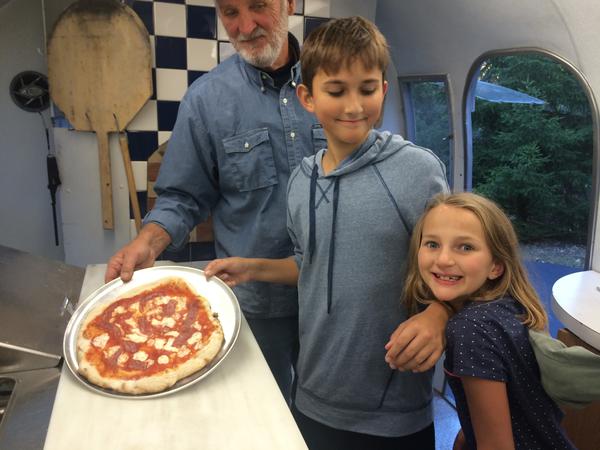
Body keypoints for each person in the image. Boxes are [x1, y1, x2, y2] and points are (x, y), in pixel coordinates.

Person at [205, 16, 450, 449]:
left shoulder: (418, 171)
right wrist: (253, 268)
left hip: (395, 413)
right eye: (336, 92)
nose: (353, 106)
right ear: (308, 97)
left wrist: (439, 316)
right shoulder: (301, 181)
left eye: (367, 89)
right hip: (314, 398)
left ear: (384, 90)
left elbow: (457, 271)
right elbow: (310, 264)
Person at [104, 0, 324, 402]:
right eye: (230, 13)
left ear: (290, 3)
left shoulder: (333, 81)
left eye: (258, 6)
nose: (245, 26)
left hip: (331, 297)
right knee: (264, 411)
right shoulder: (206, 100)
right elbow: (182, 196)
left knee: (324, 417)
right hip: (256, 302)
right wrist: (147, 242)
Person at [403, 192, 576, 449]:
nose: (443, 259)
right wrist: (467, 434)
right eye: (432, 244)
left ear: (496, 266)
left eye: (465, 247)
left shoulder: (470, 329)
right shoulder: (510, 305)